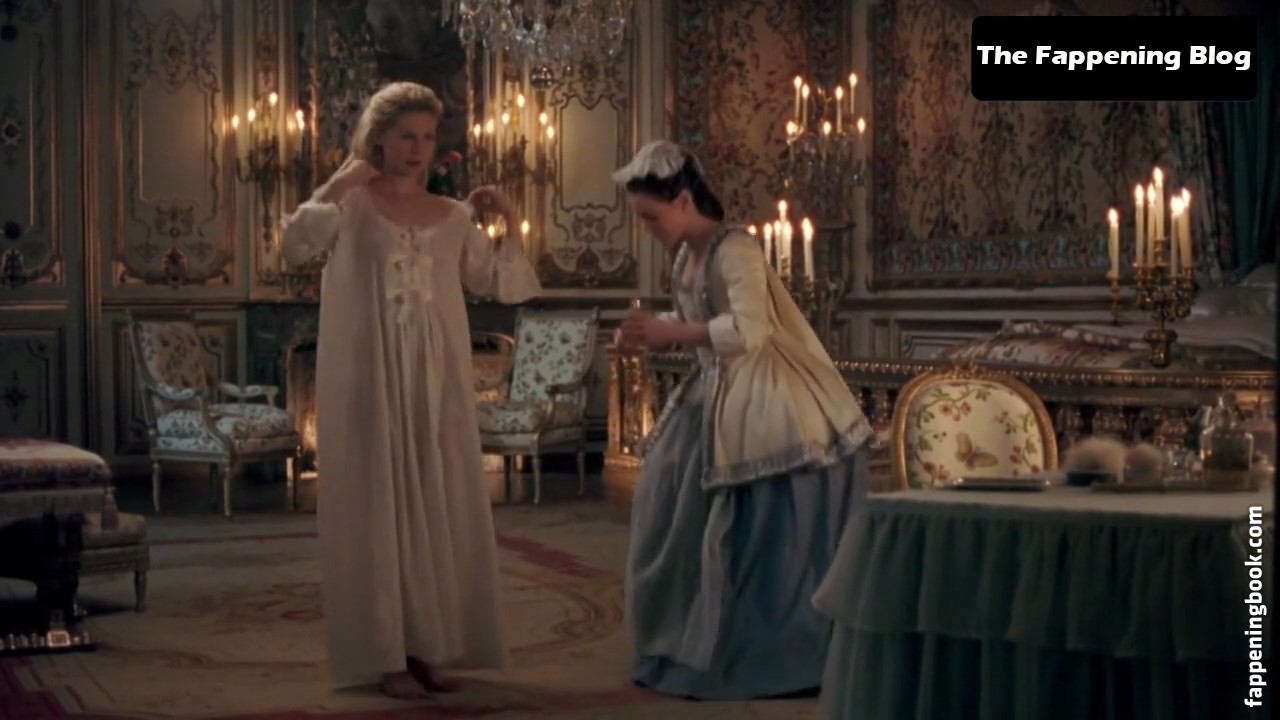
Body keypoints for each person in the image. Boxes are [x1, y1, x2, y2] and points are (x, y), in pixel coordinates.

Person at [280, 81, 541, 700]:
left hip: (436, 381)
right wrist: (342, 180)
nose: (419, 148)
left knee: (436, 500)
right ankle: (386, 654)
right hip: (370, 377)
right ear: (379, 138)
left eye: (427, 137)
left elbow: (498, 283)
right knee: (380, 505)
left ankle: (430, 645)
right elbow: (292, 246)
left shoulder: (452, 216)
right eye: (406, 136)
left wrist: (507, 220)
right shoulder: (352, 205)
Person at [615, 140, 873, 701]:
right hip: (710, 394)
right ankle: (686, 638)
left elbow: (749, 331)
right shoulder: (687, 256)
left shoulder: (737, 249)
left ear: (683, 200)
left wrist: (671, 331)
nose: (647, 229)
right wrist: (654, 330)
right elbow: (701, 321)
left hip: (766, 396)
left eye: (651, 217)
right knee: (667, 506)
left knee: (753, 532)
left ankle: (765, 649)